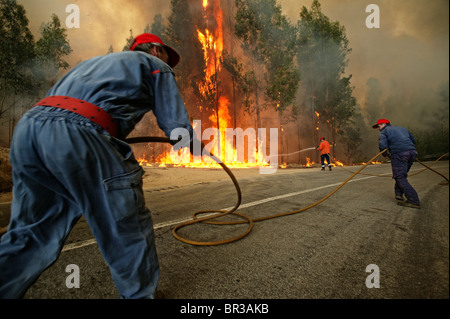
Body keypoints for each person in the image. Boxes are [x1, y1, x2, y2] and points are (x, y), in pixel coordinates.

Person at [0, 33, 193, 299]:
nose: (170, 65)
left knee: (32, 233)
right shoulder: (155, 65)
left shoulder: (94, 64)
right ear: (157, 51)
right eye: (168, 59)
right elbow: (177, 127)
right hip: (78, 133)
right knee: (125, 221)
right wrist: (189, 142)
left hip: (30, 132)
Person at [372, 119, 420, 209]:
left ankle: (414, 201)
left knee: (400, 177)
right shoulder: (402, 129)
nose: (378, 128)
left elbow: (382, 145)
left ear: (383, 124)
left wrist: (386, 154)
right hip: (412, 153)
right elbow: (414, 141)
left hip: (399, 154)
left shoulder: (384, 131)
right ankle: (398, 194)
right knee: (402, 175)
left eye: (378, 126)